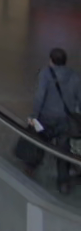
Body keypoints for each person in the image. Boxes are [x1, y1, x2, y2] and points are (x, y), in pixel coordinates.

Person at [31, 47, 81, 190]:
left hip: (47, 117)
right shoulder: (74, 75)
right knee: (63, 150)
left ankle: (31, 167)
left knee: (39, 141)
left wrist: (34, 115)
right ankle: (63, 182)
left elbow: (40, 96)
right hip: (65, 120)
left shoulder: (45, 74)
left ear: (51, 60)